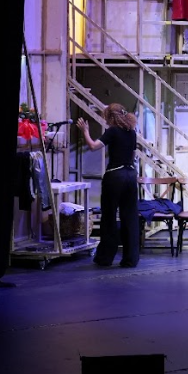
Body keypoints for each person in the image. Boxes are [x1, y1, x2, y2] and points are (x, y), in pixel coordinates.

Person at [76, 103, 143, 267]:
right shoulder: (132, 132)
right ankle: (130, 259)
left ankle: (105, 258)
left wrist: (85, 131)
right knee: (130, 216)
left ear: (111, 117)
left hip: (115, 175)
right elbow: (132, 155)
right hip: (130, 175)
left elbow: (93, 146)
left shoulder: (112, 131)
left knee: (109, 216)